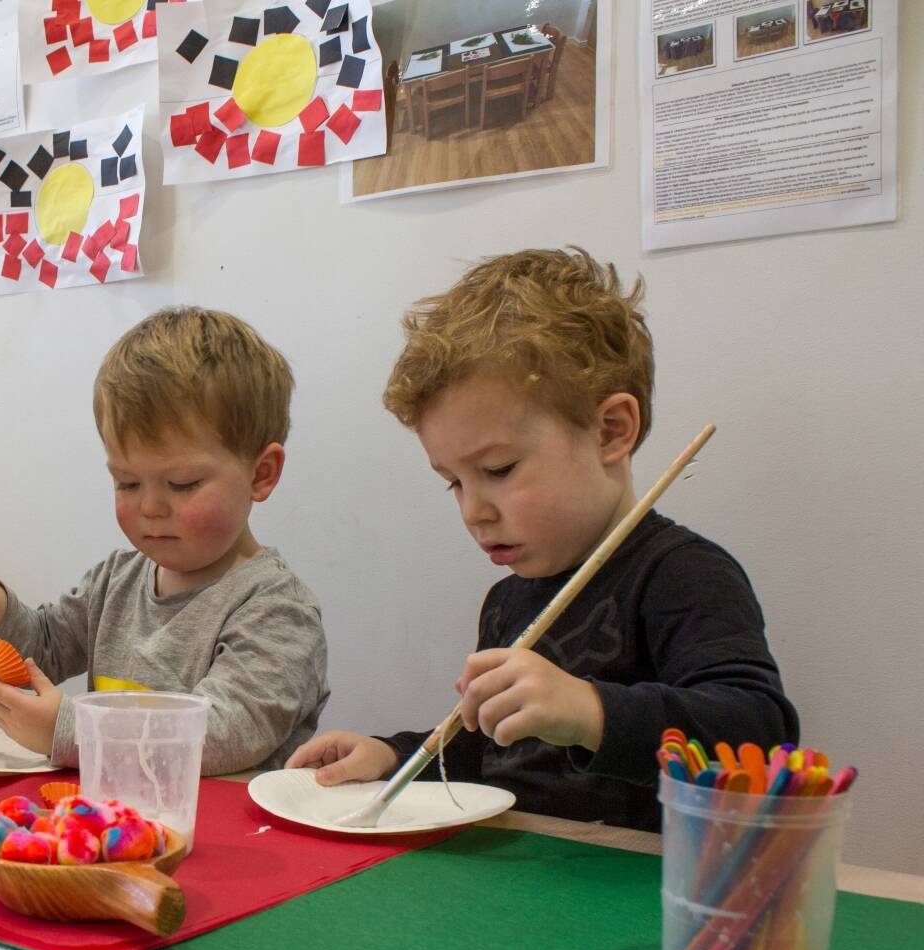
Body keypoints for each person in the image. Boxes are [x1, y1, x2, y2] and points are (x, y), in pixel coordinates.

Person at [287, 248, 797, 829]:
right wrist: (394, 755)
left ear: (611, 431)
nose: (474, 511)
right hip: (521, 879)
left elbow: (759, 731)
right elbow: (489, 750)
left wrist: (591, 711)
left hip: (634, 889)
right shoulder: (509, 600)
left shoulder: (683, 574)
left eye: (500, 470)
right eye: (453, 482)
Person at [0, 307, 329, 775]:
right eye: (127, 484)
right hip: (118, 834)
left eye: (182, 484)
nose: (151, 507)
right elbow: (46, 648)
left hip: (224, 840)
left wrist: (71, 730)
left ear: (261, 474)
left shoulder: (277, 610)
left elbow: (222, 735)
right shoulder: (115, 580)